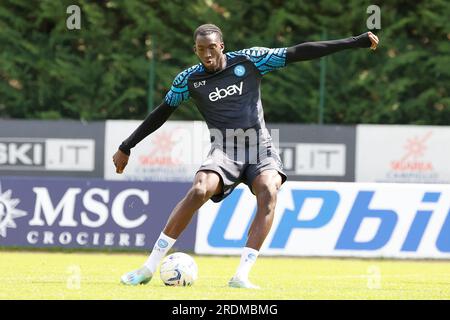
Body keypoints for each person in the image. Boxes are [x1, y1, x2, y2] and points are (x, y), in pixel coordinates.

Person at [113, 24, 379, 289]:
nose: (207, 54)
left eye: (212, 48)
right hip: (225, 150)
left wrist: (355, 41)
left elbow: (299, 51)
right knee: (198, 190)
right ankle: (148, 268)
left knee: (269, 189)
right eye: (201, 49)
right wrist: (127, 146)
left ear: (222, 46)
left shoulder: (251, 60)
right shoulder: (188, 81)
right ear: (195, 50)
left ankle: (241, 276)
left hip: (259, 147)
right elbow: (162, 112)